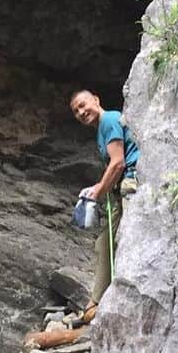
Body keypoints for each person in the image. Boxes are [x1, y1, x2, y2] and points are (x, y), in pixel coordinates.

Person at [68, 89, 139, 321]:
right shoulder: (102, 129)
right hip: (118, 190)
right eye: (76, 111)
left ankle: (97, 303)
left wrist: (99, 190)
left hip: (131, 182)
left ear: (96, 100)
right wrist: (98, 188)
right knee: (103, 242)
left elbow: (118, 162)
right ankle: (98, 299)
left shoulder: (109, 119)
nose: (81, 111)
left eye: (83, 104)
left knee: (115, 242)